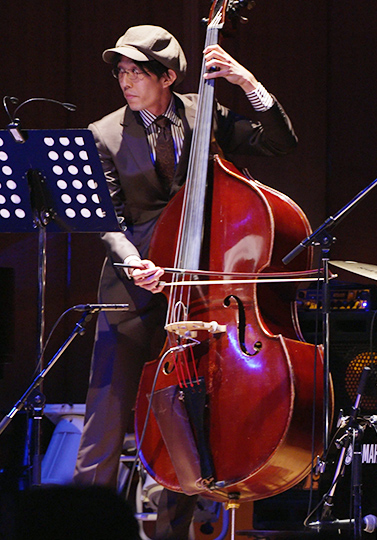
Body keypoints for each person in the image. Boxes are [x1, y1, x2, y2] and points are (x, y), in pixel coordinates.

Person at [72, 25, 298, 539]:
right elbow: (106, 218)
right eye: (121, 72)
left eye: (136, 72)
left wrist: (247, 83)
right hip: (131, 286)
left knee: (186, 409)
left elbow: (281, 143)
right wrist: (134, 262)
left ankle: (173, 530)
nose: (126, 81)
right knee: (105, 420)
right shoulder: (102, 134)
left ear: (167, 77)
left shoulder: (208, 113)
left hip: (201, 286)